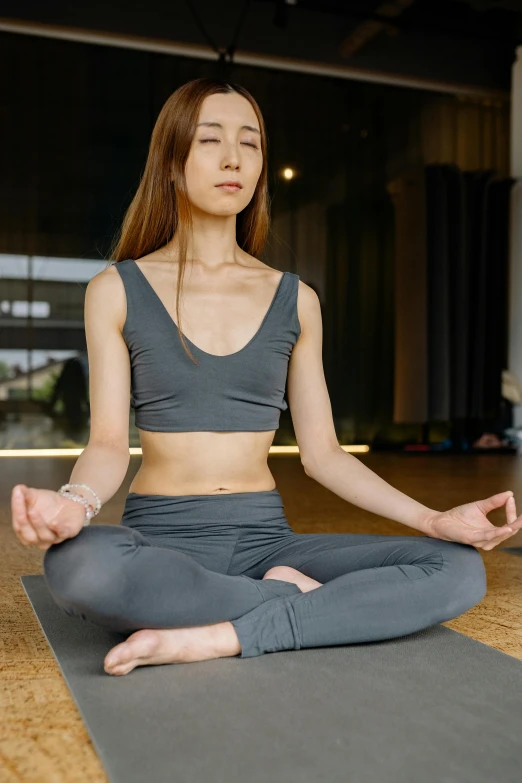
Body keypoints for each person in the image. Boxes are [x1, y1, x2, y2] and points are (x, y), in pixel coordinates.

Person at [10, 77, 522, 677]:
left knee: (457, 569)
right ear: (172, 163)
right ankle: (293, 604)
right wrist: (74, 505)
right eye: (210, 140)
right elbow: (106, 446)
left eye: (250, 143)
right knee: (80, 567)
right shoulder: (116, 290)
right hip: (163, 539)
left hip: (268, 542)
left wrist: (433, 520)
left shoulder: (296, 299)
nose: (233, 158)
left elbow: (325, 455)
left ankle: (219, 634)